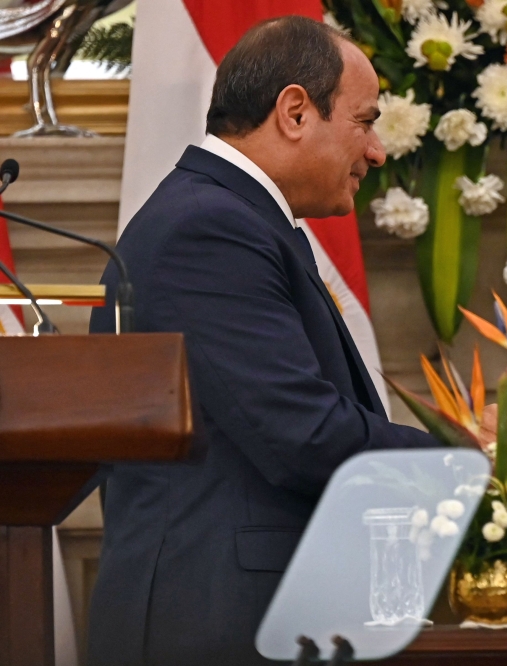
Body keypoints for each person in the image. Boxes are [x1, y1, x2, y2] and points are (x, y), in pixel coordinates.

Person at [87, 17, 442, 666]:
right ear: (295, 112)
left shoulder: (227, 216)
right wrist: (464, 460)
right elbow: (301, 433)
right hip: (213, 625)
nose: (377, 152)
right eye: (365, 122)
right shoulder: (209, 228)